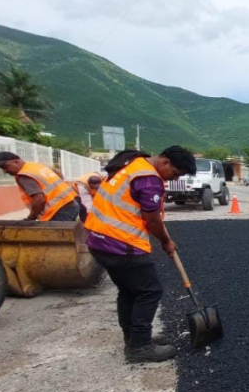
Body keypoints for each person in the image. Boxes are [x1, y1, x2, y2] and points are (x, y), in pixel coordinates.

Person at [84, 147, 197, 363]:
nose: (174, 179)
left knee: (129, 291)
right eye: (175, 174)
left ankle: (134, 338)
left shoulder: (132, 164)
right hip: (121, 244)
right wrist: (165, 241)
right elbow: (152, 219)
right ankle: (139, 347)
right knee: (150, 291)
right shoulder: (148, 178)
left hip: (99, 240)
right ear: (164, 162)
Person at [0, 152, 80, 222]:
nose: (5, 171)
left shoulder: (24, 175)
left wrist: (31, 218)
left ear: (16, 162)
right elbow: (59, 175)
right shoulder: (35, 166)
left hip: (57, 211)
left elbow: (39, 199)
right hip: (71, 204)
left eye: (5, 166)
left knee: (54, 239)